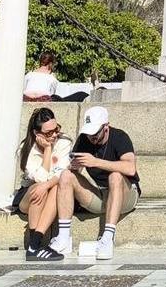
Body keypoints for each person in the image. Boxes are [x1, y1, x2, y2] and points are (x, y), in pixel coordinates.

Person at [50, 106, 139, 260]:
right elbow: (74, 171)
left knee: (115, 176)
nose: (91, 137)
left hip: (126, 194)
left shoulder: (120, 137)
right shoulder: (84, 139)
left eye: (95, 133)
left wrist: (95, 162)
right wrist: (74, 166)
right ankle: (63, 237)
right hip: (101, 195)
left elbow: (130, 169)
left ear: (106, 127)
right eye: (89, 133)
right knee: (66, 176)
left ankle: (107, 239)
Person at [15, 108, 73, 261]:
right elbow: (40, 179)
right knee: (38, 188)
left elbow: (62, 172)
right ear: (36, 133)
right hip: (28, 195)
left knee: (54, 186)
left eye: (56, 129)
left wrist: (46, 185)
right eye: (48, 133)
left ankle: (34, 245)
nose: (54, 135)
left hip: (52, 190)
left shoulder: (64, 143)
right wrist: (47, 150)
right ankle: (34, 246)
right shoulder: (26, 149)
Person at [23, 52, 88, 103]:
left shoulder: (29, 75)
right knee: (81, 94)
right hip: (44, 100)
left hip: (26, 99)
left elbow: (23, 89)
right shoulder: (52, 78)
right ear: (50, 64)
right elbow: (52, 94)